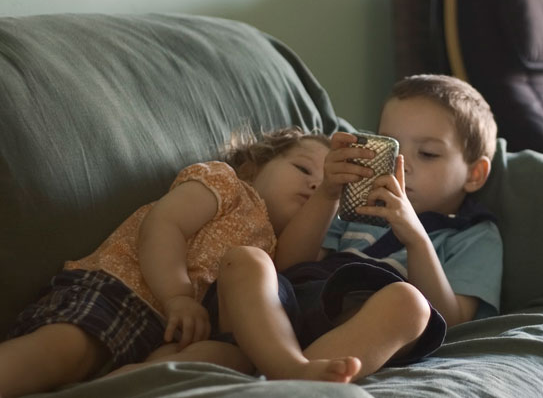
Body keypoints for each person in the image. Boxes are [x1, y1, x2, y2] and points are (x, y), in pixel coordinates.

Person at [0, 126, 375, 398]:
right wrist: (178, 295)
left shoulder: (271, 250)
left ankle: (117, 384)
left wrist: (329, 194)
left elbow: (295, 264)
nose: (314, 184)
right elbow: (164, 225)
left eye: (322, 182)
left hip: (174, 333)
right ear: (254, 165)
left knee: (228, 357)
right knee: (64, 351)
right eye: (304, 169)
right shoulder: (227, 184)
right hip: (121, 292)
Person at [183, 73, 503, 382]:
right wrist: (326, 195)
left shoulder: (475, 234)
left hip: (360, 325)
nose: (401, 164)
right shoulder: (354, 205)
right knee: (246, 259)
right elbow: (289, 265)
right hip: (288, 309)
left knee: (411, 304)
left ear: (474, 174)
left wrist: (415, 237)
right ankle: (288, 367)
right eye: (390, 148)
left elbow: (453, 320)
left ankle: (290, 376)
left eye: (428, 153)